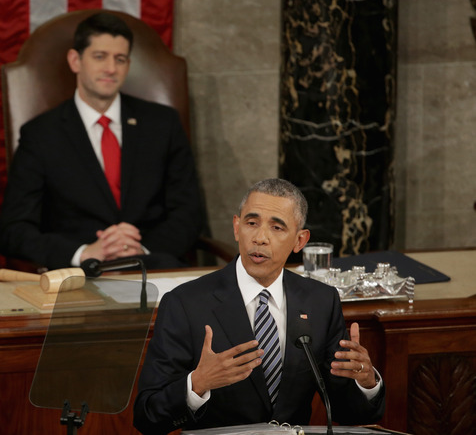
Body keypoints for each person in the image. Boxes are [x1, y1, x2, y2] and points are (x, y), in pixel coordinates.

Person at [133, 178, 385, 434]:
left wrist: (366, 383)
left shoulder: (321, 301)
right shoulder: (185, 304)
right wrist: (197, 384)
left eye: (277, 228)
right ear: (236, 227)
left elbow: (350, 413)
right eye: (251, 223)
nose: (260, 238)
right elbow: (147, 415)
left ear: (300, 241)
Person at [0, 12, 203, 271]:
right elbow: (13, 231)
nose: (110, 68)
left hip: (154, 268)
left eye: (120, 59)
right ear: (75, 60)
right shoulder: (40, 134)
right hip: (79, 278)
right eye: (99, 57)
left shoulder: (163, 123)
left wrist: (141, 249)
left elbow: (189, 214)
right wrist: (84, 253)